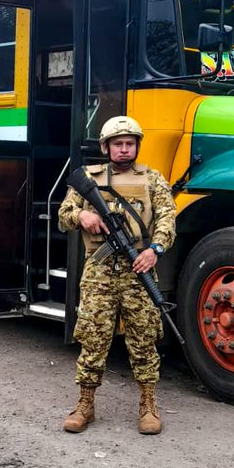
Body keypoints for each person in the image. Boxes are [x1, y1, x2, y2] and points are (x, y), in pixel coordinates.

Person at [57, 116, 176, 435]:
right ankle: (85, 404)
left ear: (137, 145)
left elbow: (167, 218)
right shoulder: (88, 178)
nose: (124, 150)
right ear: (106, 147)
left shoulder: (152, 179)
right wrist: (82, 214)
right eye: (117, 144)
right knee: (93, 339)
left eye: (129, 144)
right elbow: (63, 215)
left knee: (144, 340)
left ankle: (148, 404)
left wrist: (156, 250)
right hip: (98, 273)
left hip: (139, 271)